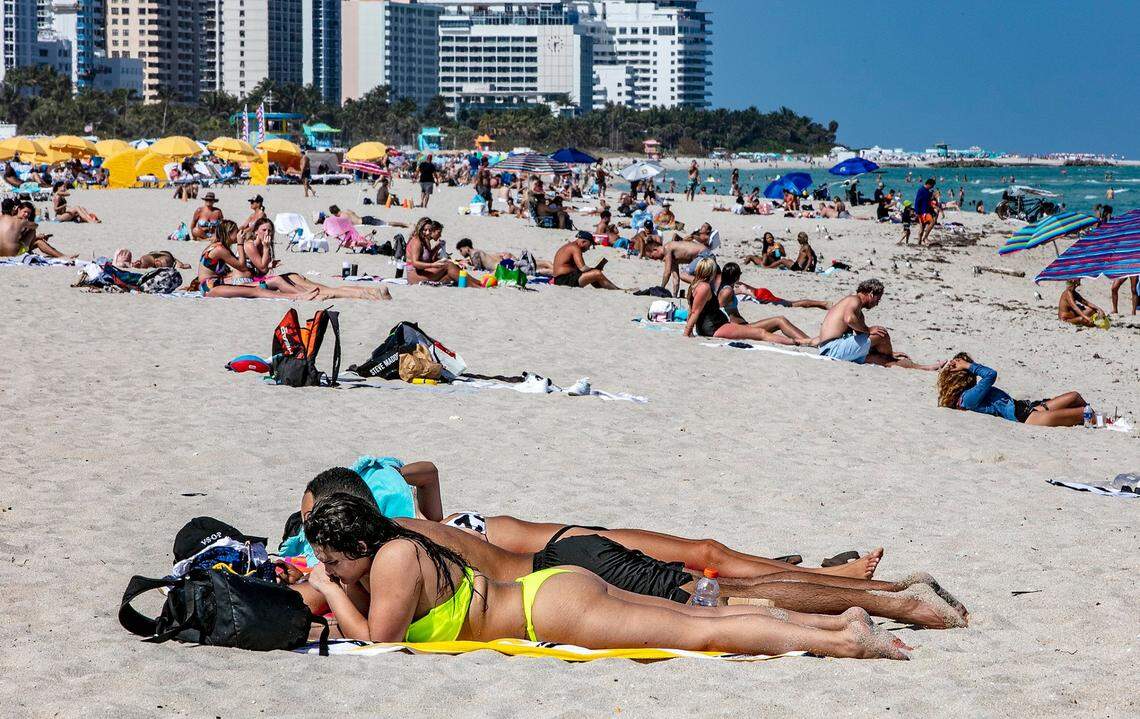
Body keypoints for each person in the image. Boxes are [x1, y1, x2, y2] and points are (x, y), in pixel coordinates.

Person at [294, 482, 965, 636]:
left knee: (721, 594)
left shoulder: (388, 555)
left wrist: (319, 584)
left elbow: (334, 609)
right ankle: (873, 587)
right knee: (714, 576)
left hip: (565, 576)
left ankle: (891, 601)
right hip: (572, 549)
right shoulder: (409, 529)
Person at [806, 279, 943, 370]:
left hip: (832, 349)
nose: (877, 303)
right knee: (882, 333)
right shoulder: (854, 300)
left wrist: (889, 351)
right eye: (878, 299)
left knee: (883, 360)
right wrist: (868, 329)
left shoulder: (859, 312)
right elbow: (849, 320)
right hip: (832, 348)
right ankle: (890, 356)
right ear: (871, 294)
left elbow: (862, 335)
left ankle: (923, 368)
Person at [938, 354, 1090, 426]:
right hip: (1026, 418)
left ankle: (1094, 421)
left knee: (1075, 396)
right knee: (1084, 413)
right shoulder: (967, 399)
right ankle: (1100, 422)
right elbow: (990, 374)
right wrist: (968, 365)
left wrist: (966, 366)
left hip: (1026, 408)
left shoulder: (969, 393)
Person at [684, 258, 810, 346]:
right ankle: (800, 342)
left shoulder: (695, 285)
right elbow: (696, 311)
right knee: (763, 332)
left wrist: (692, 330)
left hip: (715, 326)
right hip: (716, 327)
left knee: (776, 322)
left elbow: (693, 309)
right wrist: (687, 332)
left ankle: (808, 341)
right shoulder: (707, 287)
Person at [720, 263, 830, 312]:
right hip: (761, 292)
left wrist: (746, 292)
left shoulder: (735, 287)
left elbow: (754, 296)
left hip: (763, 296)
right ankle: (822, 304)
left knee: (792, 304)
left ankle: (823, 304)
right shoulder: (734, 285)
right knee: (792, 303)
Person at [405, 217, 478, 286]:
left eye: (429, 230)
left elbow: (429, 259)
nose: (427, 233)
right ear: (420, 228)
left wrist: (436, 248)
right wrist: (433, 265)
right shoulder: (416, 241)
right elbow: (415, 263)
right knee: (448, 265)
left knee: (450, 275)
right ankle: (476, 285)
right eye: (425, 230)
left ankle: (477, 283)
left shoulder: (425, 240)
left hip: (422, 273)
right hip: (415, 276)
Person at [0, 202, 74, 258]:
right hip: (13, 253)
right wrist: (36, 235)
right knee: (36, 236)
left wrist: (37, 236)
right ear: (19, 209)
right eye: (25, 212)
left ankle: (62, 255)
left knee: (38, 240)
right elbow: (35, 226)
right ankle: (63, 256)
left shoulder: (10, 219)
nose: (26, 215)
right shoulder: (21, 221)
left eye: (28, 213)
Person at [660, 222, 715, 296]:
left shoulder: (706, 237)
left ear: (708, 231)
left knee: (684, 274)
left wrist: (693, 236)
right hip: (692, 255)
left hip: (702, 257)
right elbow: (686, 240)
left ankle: (703, 286)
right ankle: (674, 294)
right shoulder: (697, 236)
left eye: (704, 227)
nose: (701, 228)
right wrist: (680, 240)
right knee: (676, 274)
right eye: (702, 226)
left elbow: (699, 240)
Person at [551, 230, 619, 289]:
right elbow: (583, 268)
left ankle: (604, 287)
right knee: (597, 273)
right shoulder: (575, 248)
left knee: (593, 274)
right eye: (589, 245)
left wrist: (592, 269)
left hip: (561, 278)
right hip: (564, 279)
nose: (588, 248)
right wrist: (594, 269)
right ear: (583, 242)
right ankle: (616, 289)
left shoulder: (570, 246)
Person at [455, 237, 553, 275]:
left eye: (460, 250)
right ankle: (547, 264)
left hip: (503, 266)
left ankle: (551, 269)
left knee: (530, 271)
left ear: (466, 248)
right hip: (503, 261)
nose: (460, 253)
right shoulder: (478, 251)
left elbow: (478, 268)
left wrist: (467, 266)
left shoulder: (474, 254)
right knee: (529, 265)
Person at [914, 178, 936, 245]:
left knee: (922, 228)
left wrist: (932, 195)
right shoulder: (921, 190)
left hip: (926, 211)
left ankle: (919, 243)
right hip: (922, 212)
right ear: (929, 184)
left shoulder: (928, 191)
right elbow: (917, 201)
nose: (932, 187)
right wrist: (917, 212)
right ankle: (925, 238)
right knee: (932, 222)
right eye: (932, 186)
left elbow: (929, 202)